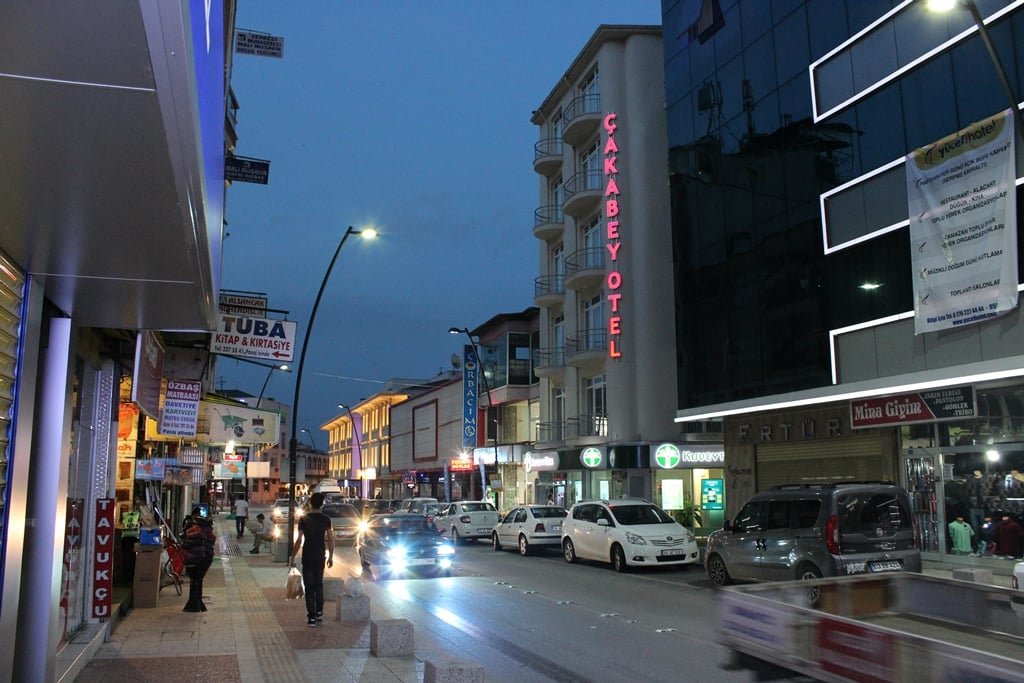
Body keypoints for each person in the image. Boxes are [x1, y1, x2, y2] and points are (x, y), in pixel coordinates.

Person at [291, 492, 334, 627]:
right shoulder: (326, 519)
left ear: (310, 503)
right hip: (320, 555)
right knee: (319, 584)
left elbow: (299, 540)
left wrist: (293, 556)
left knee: (309, 587)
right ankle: (319, 612)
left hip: (308, 555)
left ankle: (311, 618)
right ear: (321, 504)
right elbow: (330, 539)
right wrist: (331, 556)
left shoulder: (304, 519)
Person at [181, 506, 216, 612]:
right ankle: (197, 601)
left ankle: (194, 603)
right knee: (198, 579)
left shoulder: (191, 528)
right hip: (206, 557)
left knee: (195, 579)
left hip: (193, 557)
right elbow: (212, 540)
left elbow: (185, 538)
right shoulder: (206, 529)